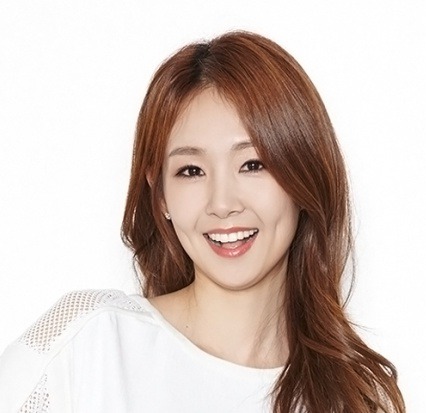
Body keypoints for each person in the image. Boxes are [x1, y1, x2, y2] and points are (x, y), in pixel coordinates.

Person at [0, 31, 405, 413]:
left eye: (253, 164)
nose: (222, 204)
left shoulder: (355, 398)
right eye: (191, 171)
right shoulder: (87, 345)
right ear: (160, 195)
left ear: (303, 179)